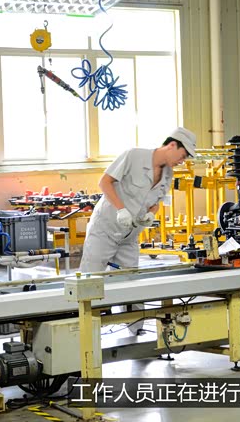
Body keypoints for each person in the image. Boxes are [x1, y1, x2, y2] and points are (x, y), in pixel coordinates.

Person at [79, 127, 196, 333]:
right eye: (183, 155)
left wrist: (151, 213)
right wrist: (121, 209)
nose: (182, 160)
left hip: (130, 235)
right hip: (105, 229)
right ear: (172, 145)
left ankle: (136, 328)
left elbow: (157, 201)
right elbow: (104, 182)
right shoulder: (133, 156)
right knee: (91, 278)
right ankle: (84, 330)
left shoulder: (168, 174)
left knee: (131, 280)